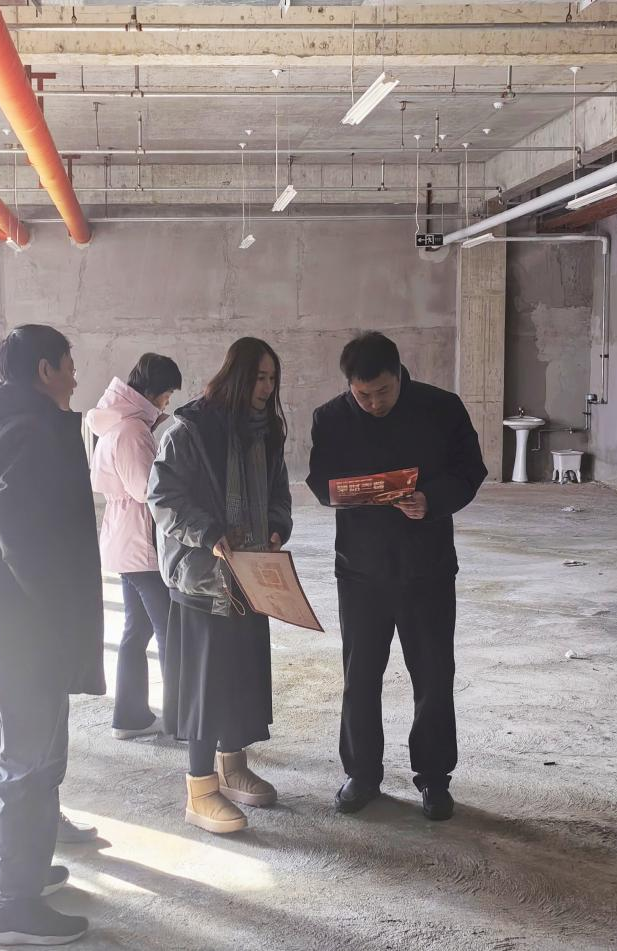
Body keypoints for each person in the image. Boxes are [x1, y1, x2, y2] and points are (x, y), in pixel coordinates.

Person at [0, 324, 104, 946]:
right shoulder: (33, 432)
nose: (75, 375)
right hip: (28, 637)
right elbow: (29, 546)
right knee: (29, 766)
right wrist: (58, 617)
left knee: (8, 749)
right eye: (69, 363)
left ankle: (12, 869)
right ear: (45, 370)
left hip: (4, 629)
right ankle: (13, 907)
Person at [305, 332, 487, 821]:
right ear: (349, 386)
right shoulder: (331, 418)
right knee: (360, 677)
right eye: (362, 395)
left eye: (383, 391)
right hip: (360, 571)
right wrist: (346, 491)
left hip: (426, 567)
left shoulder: (441, 408)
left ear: (399, 374)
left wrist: (432, 499)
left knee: (433, 675)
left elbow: (471, 470)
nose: (373, 403)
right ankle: (361, 774)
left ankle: (434, 778)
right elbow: (319, 481)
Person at [147, 337, 292, 835]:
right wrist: (209, 535)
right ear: (236, 377)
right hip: (203, 579)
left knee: (242, 676)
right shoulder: (188, 429)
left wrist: (277, 527)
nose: (266, 388)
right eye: (258, 378)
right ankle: (200, 788)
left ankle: (234, 768)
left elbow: (278, 492)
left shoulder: (267, 431)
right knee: (205, 687)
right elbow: (163, 499)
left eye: (271, 379)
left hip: (250, 575)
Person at [0, 449, 99, 861]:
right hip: (14, 624)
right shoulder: (6, 443)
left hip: (7, 620)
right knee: (15, 742)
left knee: (4, 731)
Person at [86, 353, 183, 740]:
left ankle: (130, 717)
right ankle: (181, 720)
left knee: (137, 630)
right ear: (156, 391)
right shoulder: (131, 430)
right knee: (170, 633)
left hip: (124, 540)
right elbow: (147, 489)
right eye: (168, 393)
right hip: (141, 544)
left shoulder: (118, 422)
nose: (169, 400)